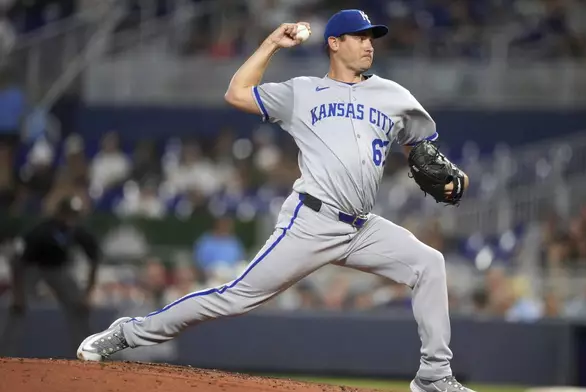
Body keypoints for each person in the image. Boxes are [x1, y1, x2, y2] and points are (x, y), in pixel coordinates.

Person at [76, 10, 473, 392]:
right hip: (311, 221)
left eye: (372, 37)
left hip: (362, 226)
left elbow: (423, 149)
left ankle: (433, 376)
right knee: (232, 298)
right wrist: (271, 44)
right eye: (360, 37)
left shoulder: (393, 95)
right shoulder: (302, 92)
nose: (369, 44)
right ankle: (127, 332)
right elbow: (236, 92)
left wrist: (455, 177)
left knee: (429, 263)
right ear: (334, 43)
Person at [1, 196, 101, 356]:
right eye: (67, 213)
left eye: (74, 214)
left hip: (58, 269)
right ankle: (4, 353)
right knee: (17, 308)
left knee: (79, 307)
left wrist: (88, 293)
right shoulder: (42, 231)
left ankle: (89, 352)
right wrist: (18, 294)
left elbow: (94, 258)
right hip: (33, 268)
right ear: (59, 213)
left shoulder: (78, 232)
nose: (70, 218)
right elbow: (19, 263)